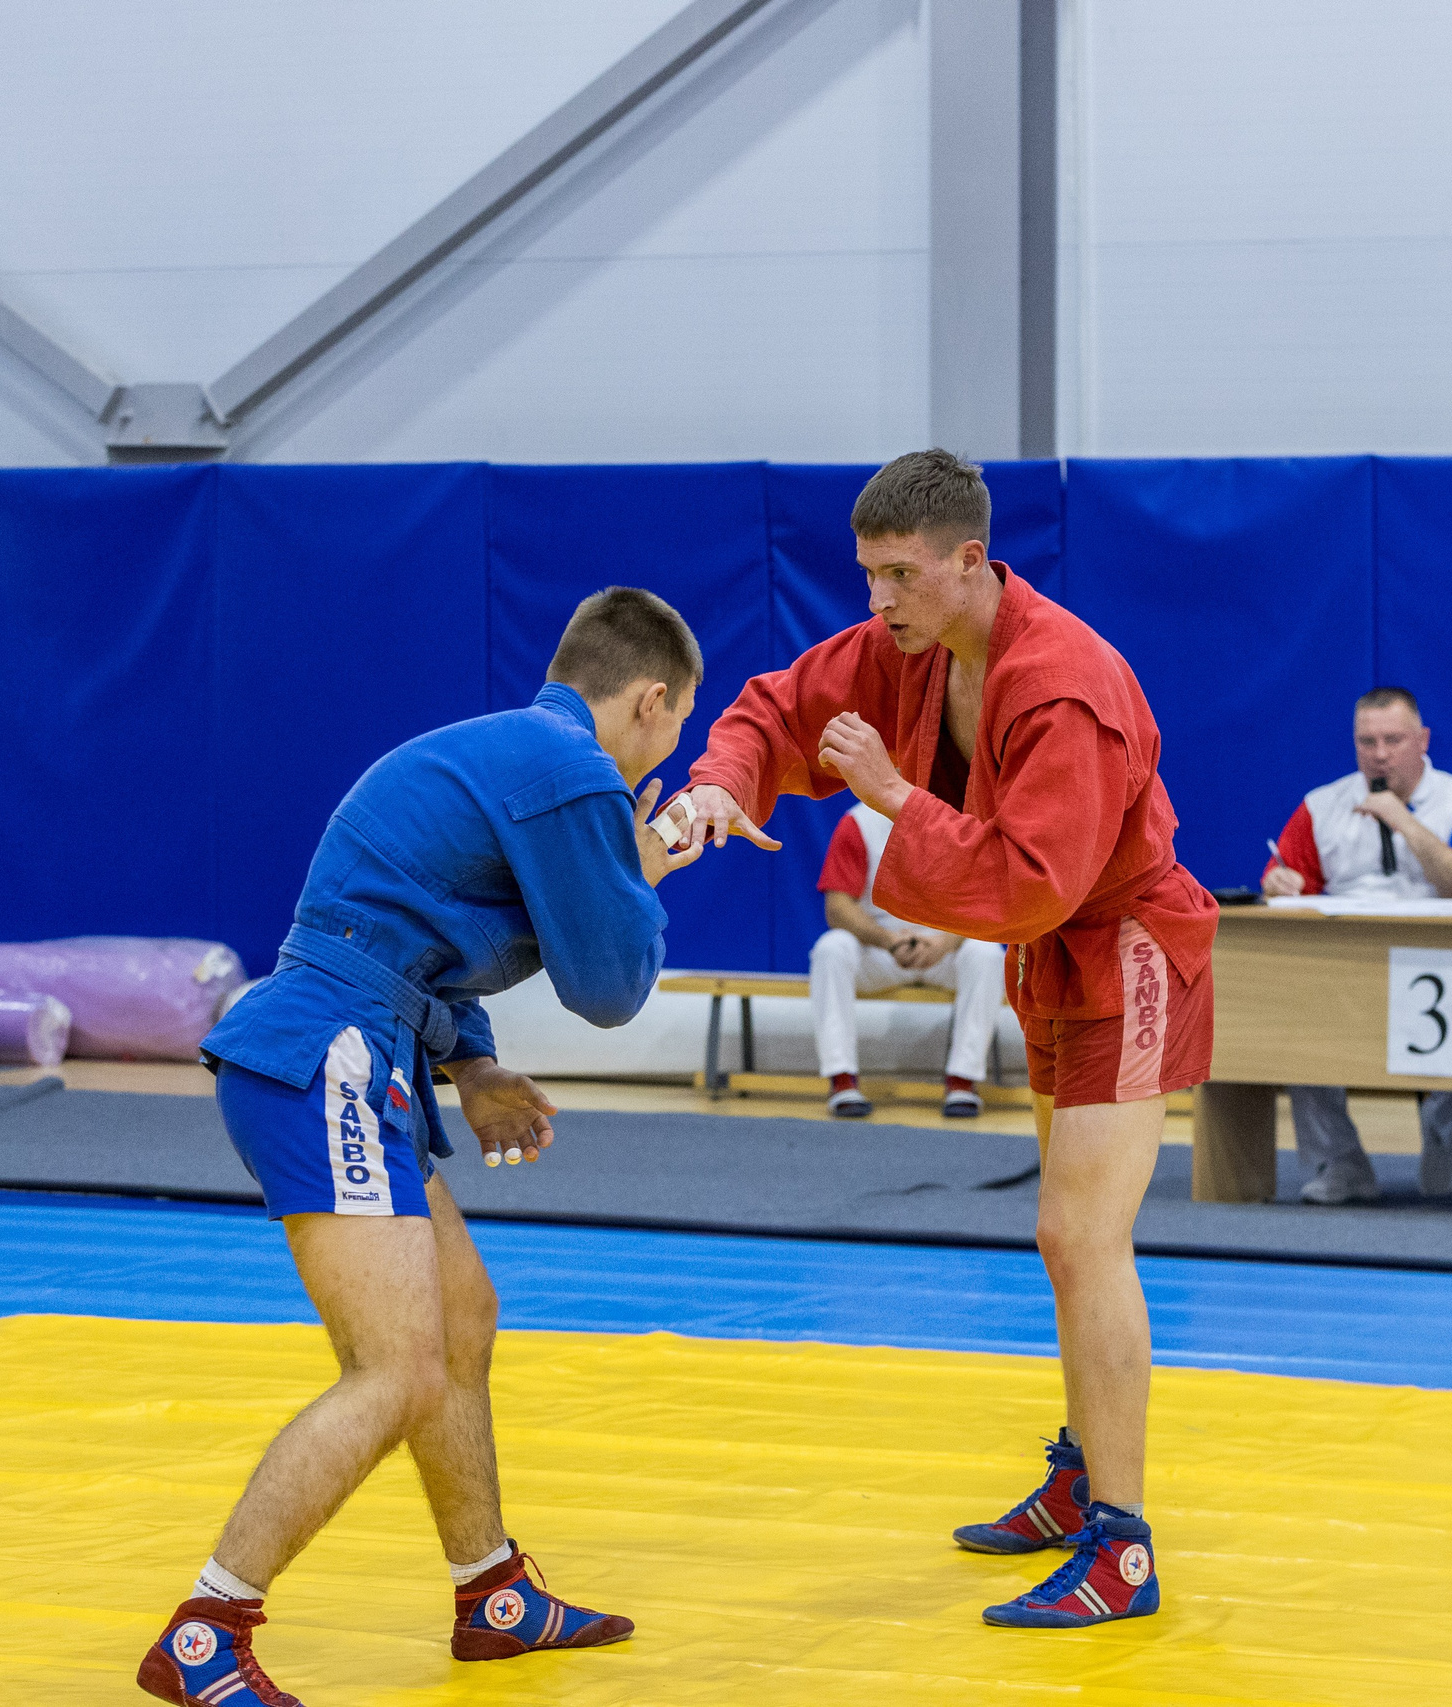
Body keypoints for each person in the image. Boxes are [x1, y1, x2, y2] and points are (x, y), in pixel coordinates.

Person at [138, 588, 705, 1707]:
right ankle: (207, 1628)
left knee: (461, 1318)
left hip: (351, 1043)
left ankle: (491, 1591)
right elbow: (607, 988)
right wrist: (650, 865)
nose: (668, 743)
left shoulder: (512, 748)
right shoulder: (573, 770)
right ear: (651, 700)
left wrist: (477, 1067)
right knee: (395, 1370)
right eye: (678, 723)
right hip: (332, 1056)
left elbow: (411, 932)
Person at [679, 448, 1215, 1630]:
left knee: (1082, 1236)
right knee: (1061, 1238)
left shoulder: (1065, 681)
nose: (877, 602)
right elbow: (777, 708)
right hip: (1050, 953)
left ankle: (1122, 1548)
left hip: (1118, 944)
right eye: (866, 576)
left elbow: (1032, 880)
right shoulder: (906, 647)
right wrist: (721, 782)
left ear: (970, 561)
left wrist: (891, 797)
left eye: (899, 577)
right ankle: (1081, 1482)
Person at [1260, 687, 1452, 1203]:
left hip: (1443, 964)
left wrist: (1404, 821)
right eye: (1367, 741)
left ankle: (1441, 1140)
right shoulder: (1322, 804)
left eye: (1393, 739)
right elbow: (1284, 877)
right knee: (1297, 1028)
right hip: (1345, 962)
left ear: (1423, 739)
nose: (1380, 753)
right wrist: (1280, 883)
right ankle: (1341, 1162)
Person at [810, 801, 1008, 1117]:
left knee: (985, 953)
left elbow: (984, 900)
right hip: (882, 948)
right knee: (831, 949)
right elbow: (837, 908)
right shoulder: (859, 823)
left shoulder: (961, 818)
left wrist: (944, 942)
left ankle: (962, 1080)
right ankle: (842, 1079)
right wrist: (888, 941)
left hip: (945, 947)